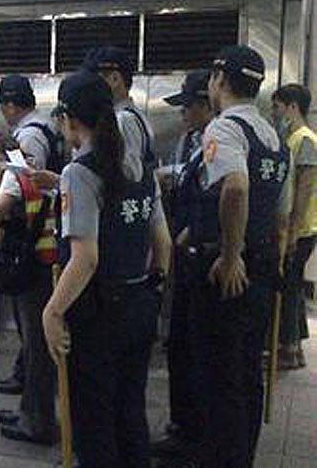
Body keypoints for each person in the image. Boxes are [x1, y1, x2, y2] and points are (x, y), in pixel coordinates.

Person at [43, 71, 172, 468]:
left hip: (97, 314)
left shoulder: (79, 172)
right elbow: (163, 243)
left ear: (69, 119)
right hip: (138, 302)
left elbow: (85, 258)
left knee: (93, 419)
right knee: (130, 411)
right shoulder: (140, 168)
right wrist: (153, 287)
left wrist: (53, 311)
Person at [185, 46, 288, 467]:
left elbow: (236, 186)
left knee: (218, 377)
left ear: (220, 80)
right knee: (246, 373)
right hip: (260, 266)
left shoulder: (224, 128)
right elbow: (280, 212)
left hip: (227, 272)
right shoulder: (273, 135)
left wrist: (230, 255)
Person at [0, 74, 66, 394]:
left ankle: (35, 400)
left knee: (31, 320)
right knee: (31, 321)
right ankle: (28, 380)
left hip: (33, 240)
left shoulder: (29, 137)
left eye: (2, 106)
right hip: (44, 236)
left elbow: (22, 188)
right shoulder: (46, 127)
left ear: (10, 105)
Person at [0, 136, 59, 445]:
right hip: (44, 264)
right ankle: (30, 411)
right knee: (33, 345)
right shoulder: (31, 169)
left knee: (37, 348)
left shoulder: (13, 174)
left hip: (34, 269)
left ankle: (37, 422)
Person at [152, 70, 214, 461]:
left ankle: (193, 434)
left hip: (198, 255)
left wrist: (188, 234)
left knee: (194, 349)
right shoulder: (191, 139)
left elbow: (220, 193)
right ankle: (182, 426)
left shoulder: (219, 140)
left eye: (188, 107)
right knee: (180, 345)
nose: (183, 114)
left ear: (207, 104)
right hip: (183, 253)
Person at [272, 83, 317, 369]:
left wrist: (291, 233)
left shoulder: (305, 140)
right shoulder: (293, 138)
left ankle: (287, 349)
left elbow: (304, 189)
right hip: (298, 229)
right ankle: (294, 347)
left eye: (277, 107)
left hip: (300, 230)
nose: (275, 113)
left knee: (288, 287)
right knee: (294, 286)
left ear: (292, 107)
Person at [82, 46, 157, 169]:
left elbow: (128, 172)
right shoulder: (134, 116)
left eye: (95, 79)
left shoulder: (123, 120)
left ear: (115, 79)